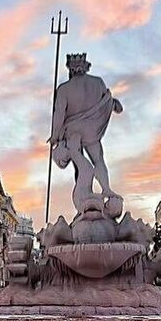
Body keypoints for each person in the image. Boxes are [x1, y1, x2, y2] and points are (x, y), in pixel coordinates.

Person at [49, 53, 123, 212]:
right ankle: (106, 189)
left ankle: (84, 195)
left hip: (73, 131)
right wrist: (114, 104)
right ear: (86, 67)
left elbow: (59, 113)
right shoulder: (97, 82)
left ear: (70, 69)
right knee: (98, 160)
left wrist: (55, 135)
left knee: (80, 166)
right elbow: (108, 101)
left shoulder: (64, 89)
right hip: (92, 130)